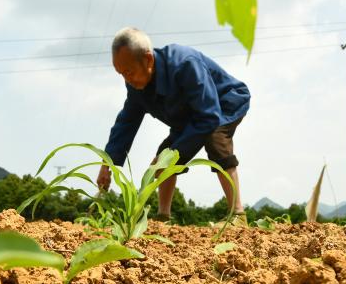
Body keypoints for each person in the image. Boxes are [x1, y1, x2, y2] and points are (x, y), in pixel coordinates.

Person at [98, 27, 250, 222]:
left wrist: (173, 155)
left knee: (216, 139)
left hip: (224, 103)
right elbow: (127, 121)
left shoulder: (185, 64)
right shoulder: (136, 86)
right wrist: (107, 163)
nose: (127, 79)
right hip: (193, 114)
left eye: (129, 71)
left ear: (148, 60)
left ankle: (237, 214)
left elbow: (208, 117)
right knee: (164, 155)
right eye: (121, 74)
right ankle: (163, 216)